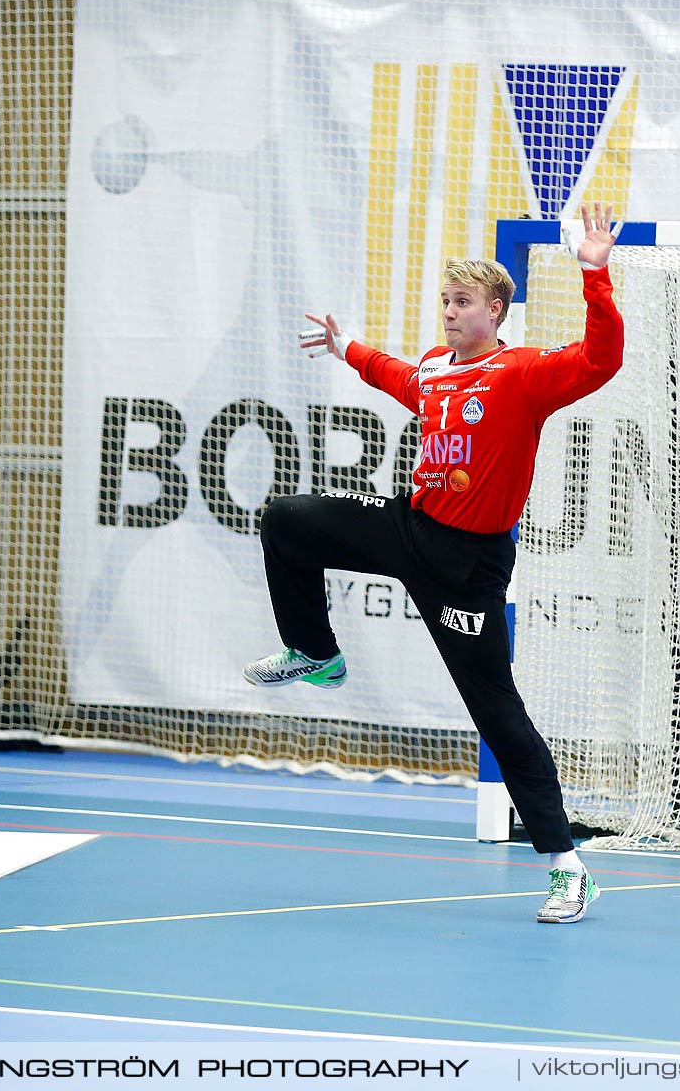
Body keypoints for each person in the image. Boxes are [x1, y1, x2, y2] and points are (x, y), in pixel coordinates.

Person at [247, 201, 623, 924]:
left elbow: (601, 359)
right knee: (288, 520)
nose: (449, 313)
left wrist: (595, 275)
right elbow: (399, 379)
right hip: (409, 524)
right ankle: (315, 652)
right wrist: (348, 347)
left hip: (468, 564)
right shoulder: (436, 369)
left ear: (496, 309)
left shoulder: (524, 374)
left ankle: (566, 869)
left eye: (462, 303)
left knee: (498, 715)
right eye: (445, 301)